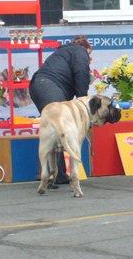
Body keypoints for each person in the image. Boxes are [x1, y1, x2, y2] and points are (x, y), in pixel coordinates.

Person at [29, 35, 93, 184]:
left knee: (53, 129)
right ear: (87, 48)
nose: (89, 59)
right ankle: (47, 173)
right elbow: (82, 73)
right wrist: (83, 101)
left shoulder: (64, 52)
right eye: (90, 55)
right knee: (58, 129)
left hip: (38, 85)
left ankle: (57, 174)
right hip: (50, 86)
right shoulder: (80, 51)